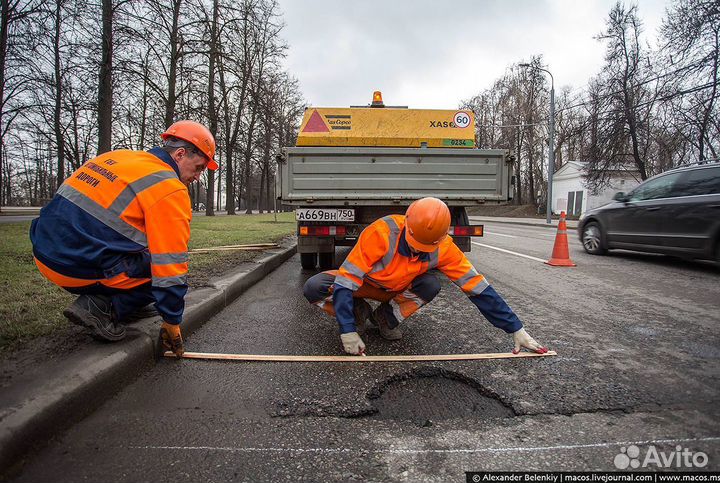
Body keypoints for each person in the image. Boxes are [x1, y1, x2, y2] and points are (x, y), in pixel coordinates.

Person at [30, 120, 218, 357]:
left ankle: (125, 302)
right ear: (180, 154)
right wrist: (171, 320)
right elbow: (170, 266)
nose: (198, 176)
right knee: (161, 269)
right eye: (199, 167)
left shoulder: (118, 158)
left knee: (146, 255)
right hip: (72, 267)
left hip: (43, 253)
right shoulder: (169, 187)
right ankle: (103, 307)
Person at [303, 197, 547, 356]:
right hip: (365, 285)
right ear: (407, 225)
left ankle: (384, 319)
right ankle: (358, 314)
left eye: (426, 247)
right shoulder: (381, 232)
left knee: (430, 284)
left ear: (440, 239)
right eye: (415, 243)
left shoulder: (445, 247)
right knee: (315, 286)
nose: (419, 250)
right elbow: (346, 281)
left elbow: (479, 290)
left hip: (398, 288)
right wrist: (347, 329)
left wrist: (516, 329)